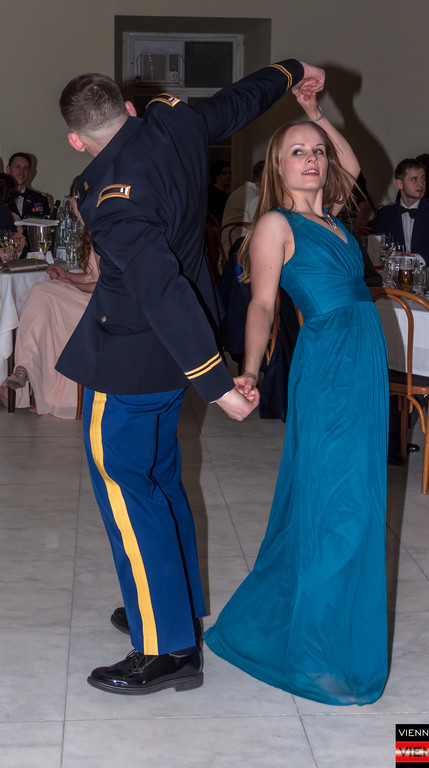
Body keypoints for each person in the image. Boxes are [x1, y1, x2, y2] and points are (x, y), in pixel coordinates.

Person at [56, 60, 326, 696]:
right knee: (160, 482)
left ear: (75, 140)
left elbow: (160, 289)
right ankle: (173, 606)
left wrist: (218, 385)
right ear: (127, 108)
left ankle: (166, 648)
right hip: (167, 361)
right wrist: (289, 70)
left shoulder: (110, 198)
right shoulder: (171, 125)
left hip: (130, 360)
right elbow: (237, 101)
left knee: (128, 493)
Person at [205, 89, 389, 705]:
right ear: (277, 168)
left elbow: (352, 166)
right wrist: (249, 369)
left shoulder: (334, 216)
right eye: (296, 153)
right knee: (338, 503)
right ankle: (315, 650)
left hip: (363, 361)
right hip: (330, 362)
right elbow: (261, 304)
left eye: (317, 152)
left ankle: (326, 629)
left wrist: (314, 115)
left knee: (356, 495)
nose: (311, 158)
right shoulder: (275, 225)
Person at [5, 182, 98, 417]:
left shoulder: (103, 232)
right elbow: (91, 275)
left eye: (74, 198)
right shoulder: (90, 229)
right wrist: (68, 276)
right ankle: (27, 373)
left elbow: (103, 284)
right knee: (44, 297)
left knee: (42, 293)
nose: (73, 204)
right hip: (90, 297)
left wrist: (70, 284)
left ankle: (25, 368)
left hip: (101, 304)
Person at [372, 158, 429, 266]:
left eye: (423, 179)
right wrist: (394, 256)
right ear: (399, 183)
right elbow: (377, 251)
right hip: (394, 272)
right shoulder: (384, 213)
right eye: (414, 180)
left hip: (428, 273)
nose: (421, 184)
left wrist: (414, 259)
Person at [220, 160, 265, 255]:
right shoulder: (255, 198)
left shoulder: (240, 191)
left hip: (227, 248)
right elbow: (263, 231)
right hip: (239, 254)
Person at [5, 153, 51, 218]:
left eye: (26, 168)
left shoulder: (40, 199)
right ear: (8, 169)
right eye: (17, 167)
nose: (21, 172)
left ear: (29, 173)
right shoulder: (2, 196)